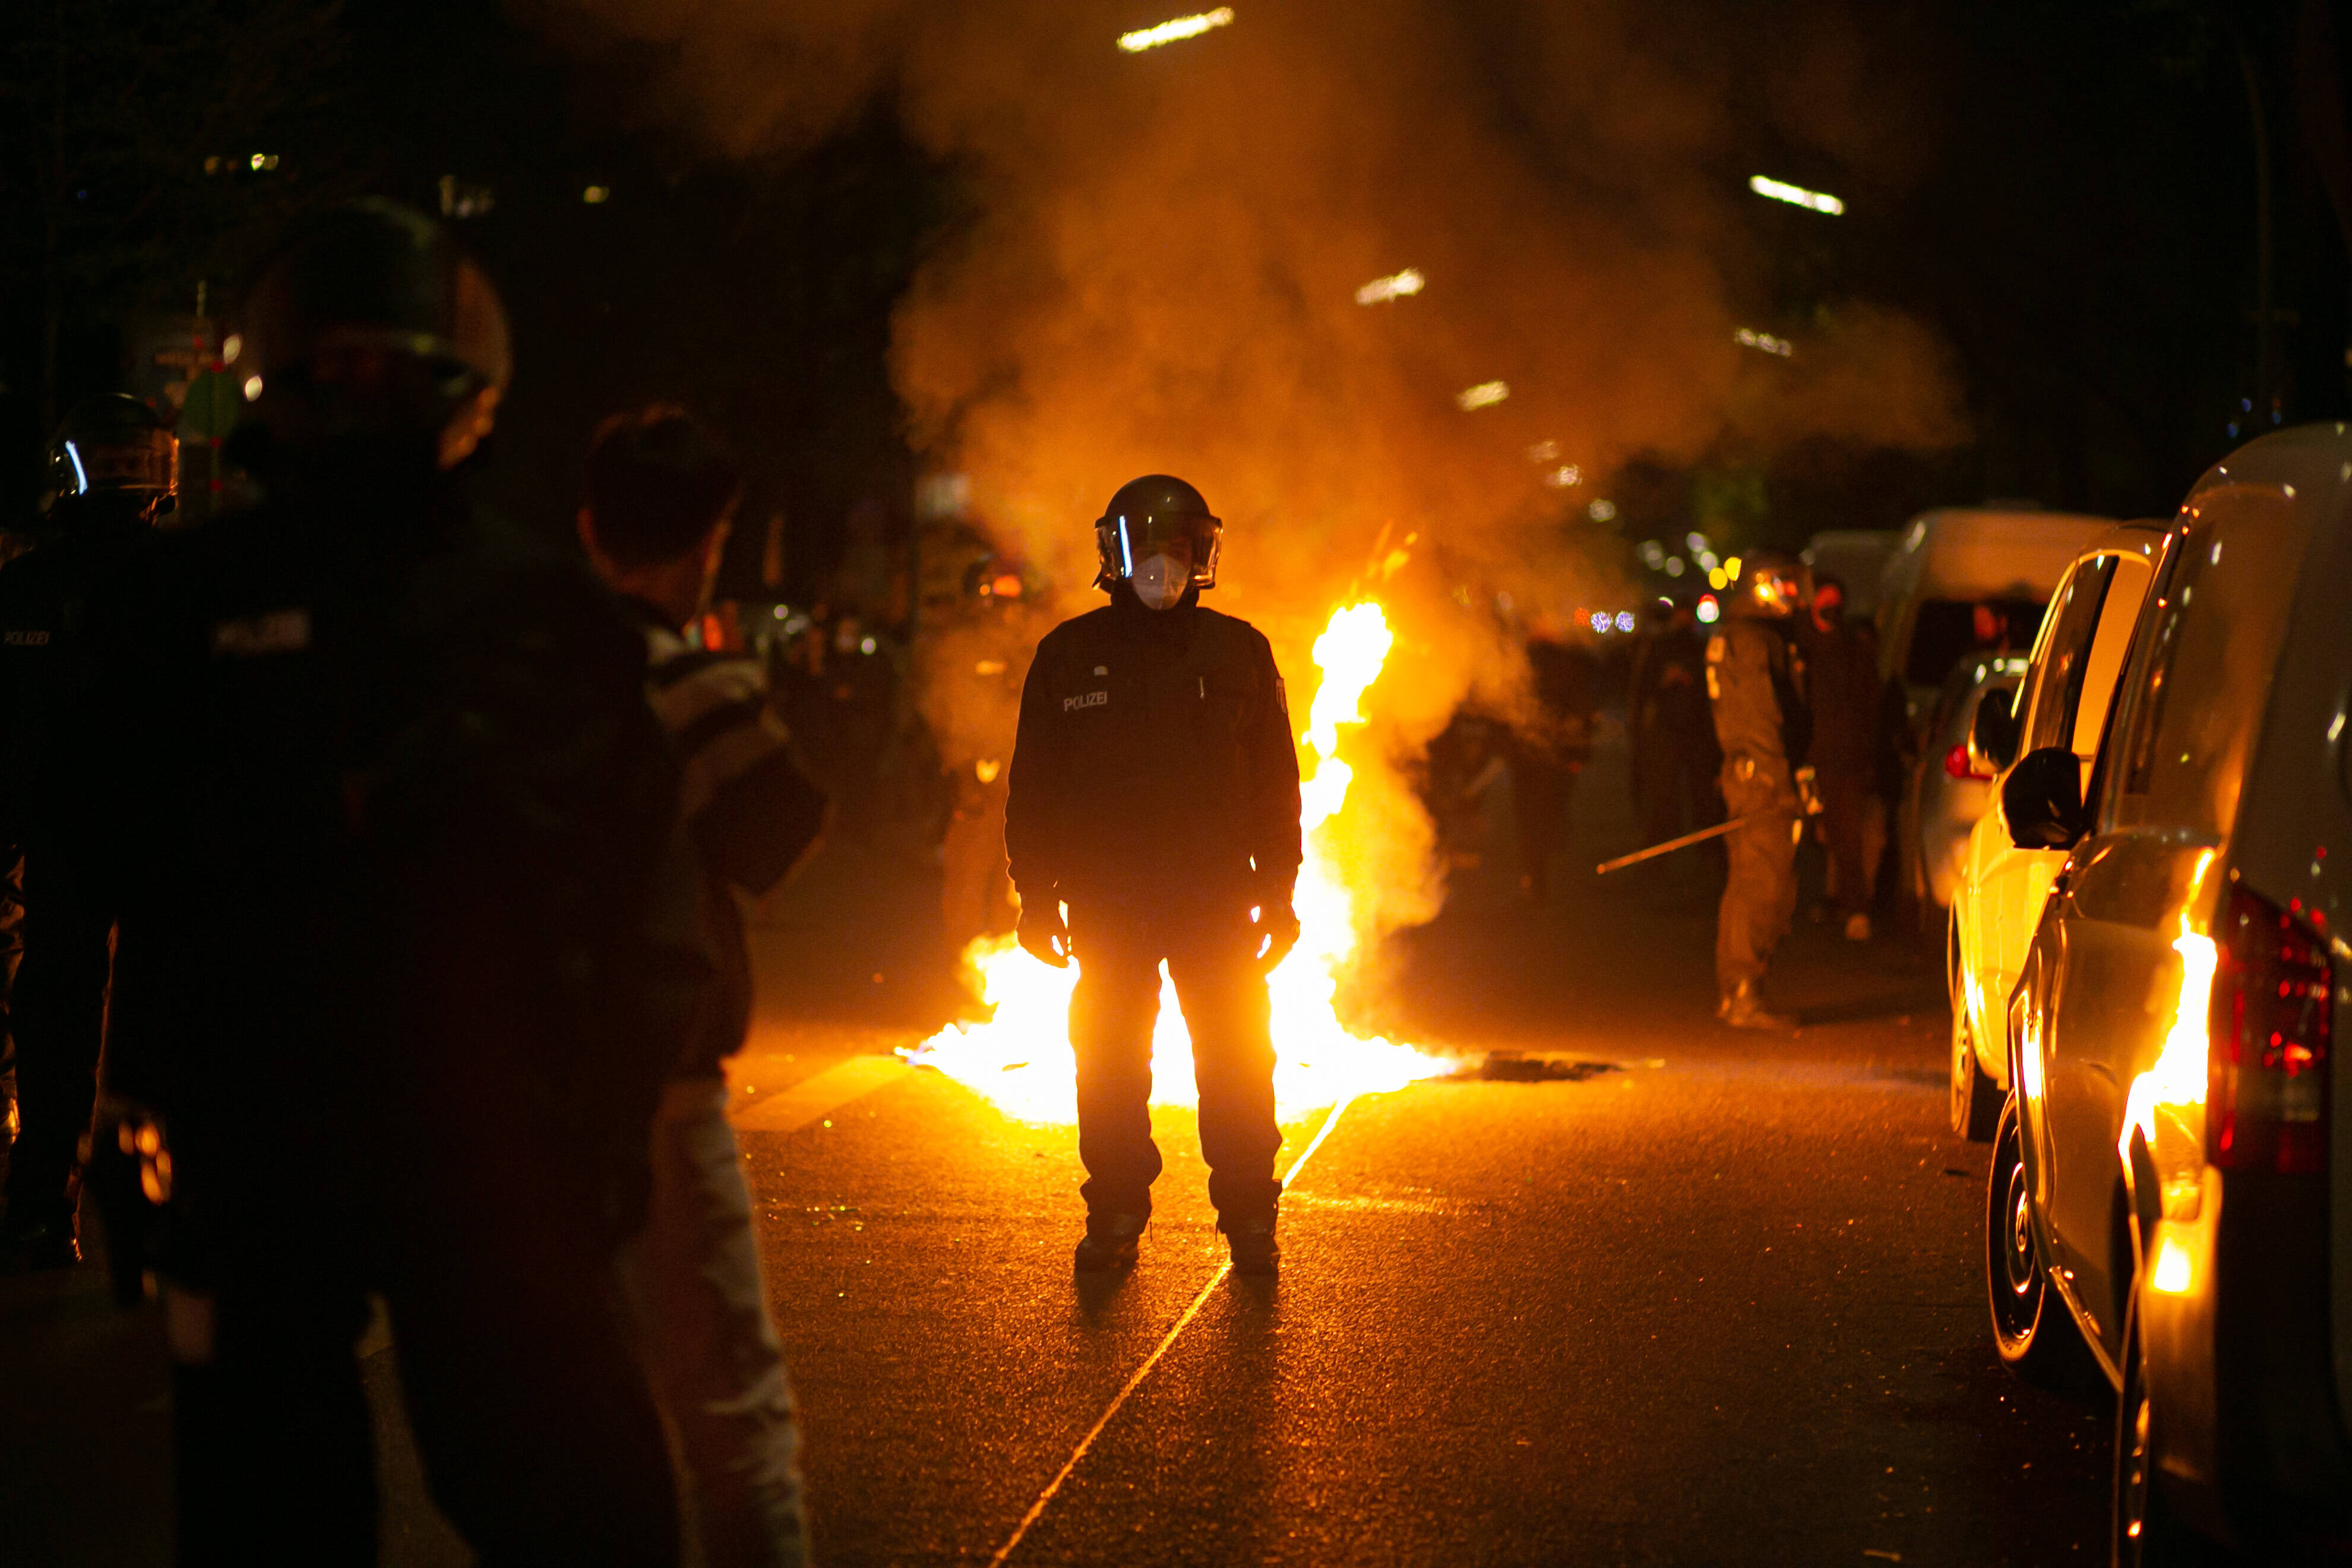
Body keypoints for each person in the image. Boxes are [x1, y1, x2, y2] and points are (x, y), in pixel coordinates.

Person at [94, 201, 699, 1563]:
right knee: (267, 1519)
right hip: (264, 1148)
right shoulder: (185, 605)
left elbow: (639, 888)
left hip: (490, 1140)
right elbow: (136, 875)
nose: (363, 387)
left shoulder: (543, 613)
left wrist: (606, 1123)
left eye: (393, 359)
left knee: (582, 1511)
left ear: (456, 380)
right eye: (339, 360)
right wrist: (128, 1112)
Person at [578, 404, 826, 1568]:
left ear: (590, 529)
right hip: (662, 1085)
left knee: (576, 1419)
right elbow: (779, 828)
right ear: (708, 545)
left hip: (511, 1095)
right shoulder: (688, 682)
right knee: (734, 1416)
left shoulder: (513, 668)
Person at [1004, 475, 1301, 1276]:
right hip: (1108, 905)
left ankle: (1250, 1213)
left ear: (1202, 553)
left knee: (1238, 1062)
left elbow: (1276, 786)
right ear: (1116, 553)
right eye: (1151, 549)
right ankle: (1114, 1214)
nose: (1165, 567)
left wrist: (1279, 894)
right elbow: (1035, 786)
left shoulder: (1240, 651)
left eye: (1180, 549)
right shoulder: (1068, 656)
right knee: (1107, 1066)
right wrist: (1036, 896)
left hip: (1215, 901)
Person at [0, 394, 175, 1271]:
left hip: (110, 837)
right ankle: (56, 1206)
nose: (114, 475)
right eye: (104, 459)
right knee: (82, 1024)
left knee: (78, 1021)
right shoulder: (183, 577)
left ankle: (54, 1205)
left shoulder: (36, 586)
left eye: (125, 460)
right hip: (121, 840)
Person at [1707, 551, 1809, 1029]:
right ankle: (1745, 993)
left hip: (1745, 773)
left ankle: (1736, 990)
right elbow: (1761, 715)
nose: (1791, 594)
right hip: (1761, 778)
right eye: (1782, 584)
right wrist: (1779, 780)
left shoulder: (1738, 635)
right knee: (1765, 883)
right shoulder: (1752, 640)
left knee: (1746, 881)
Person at [1799, 576, 1882, 942]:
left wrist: (1865, 755)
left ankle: (1856, 907)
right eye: (1825, 600)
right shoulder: (1801, 645)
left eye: (1836, 601)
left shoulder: (1852, 649)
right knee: (1813, 834)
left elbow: (1867, 703)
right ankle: (1821, 901)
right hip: (1806, 757)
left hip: (1843, 760)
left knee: (1847, 837)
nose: (1831, 608)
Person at [1502, 617, 1595, 902]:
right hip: (1551, 755)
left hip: (1530, 755)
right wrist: (1579, 753)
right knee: (1549, 810)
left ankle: (1536, 870)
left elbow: (1506, 708)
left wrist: (1505, 747)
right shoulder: (1567, 663)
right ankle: (1542, 861)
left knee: (1530, 816)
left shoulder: (1520, 663)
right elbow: (1582, 709)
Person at [1626, 599, 1723, 870]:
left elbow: (1711, 688)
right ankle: (1661, 855)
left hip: (1696, 732)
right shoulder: (1660, 647)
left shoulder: (1699, 647)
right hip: (1668, 732)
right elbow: (1643, 688)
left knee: (1702, 796)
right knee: (1665, 798)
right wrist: (1663, 682)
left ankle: (1707, 853)